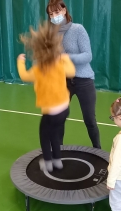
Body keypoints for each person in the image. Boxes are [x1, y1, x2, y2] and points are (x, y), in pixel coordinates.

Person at [17, 21, 75, 172]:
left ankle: (48, 163)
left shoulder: (38, 69)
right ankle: (58, 161)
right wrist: (65, 58)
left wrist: (20, 62)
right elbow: (72, 72)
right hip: (64, 109)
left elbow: (24, 76)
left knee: (44, 135)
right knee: (55, 134)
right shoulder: (60, 63)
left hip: (50, 112)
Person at [46, 0, 101, 149]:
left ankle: (98, 151)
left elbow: (88, 56)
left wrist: (67, 58)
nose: (54, 16)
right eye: (51, 14)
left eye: (56, 12)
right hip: (63, 81)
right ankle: (59, 150)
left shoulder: (78, 29)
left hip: (84, 81)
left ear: (64, 11)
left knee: (90, 120)